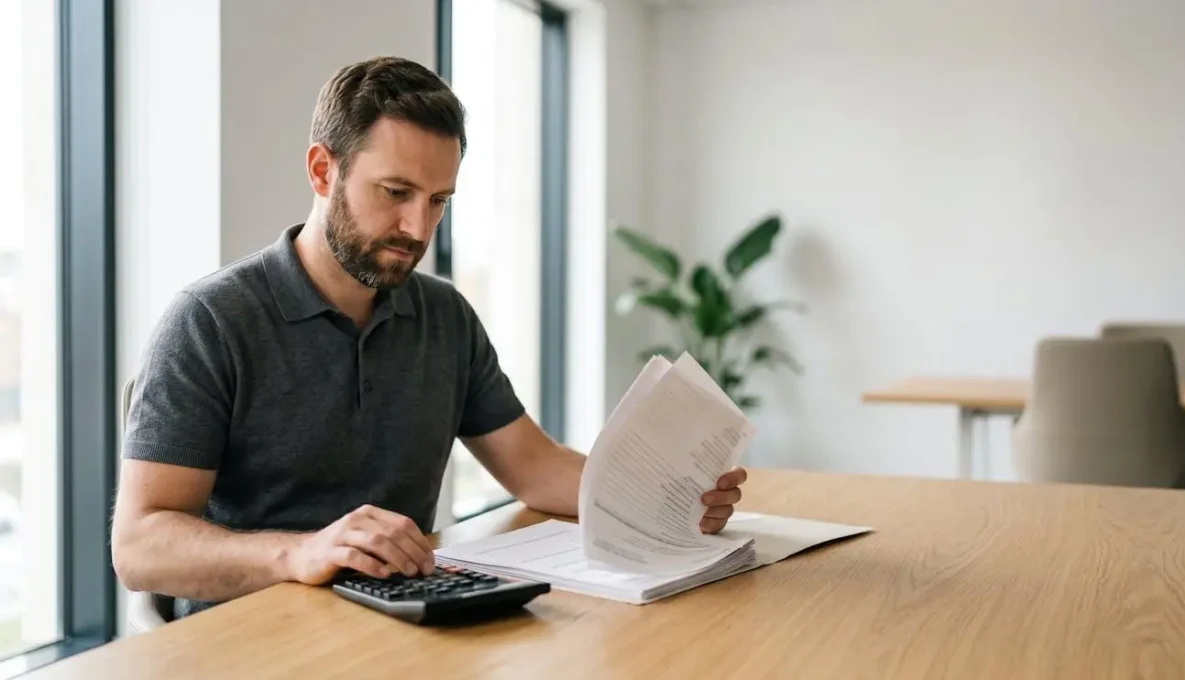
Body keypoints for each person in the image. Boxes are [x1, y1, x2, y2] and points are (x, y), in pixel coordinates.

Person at [110, 56, 749, 619]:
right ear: (322, 170)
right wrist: (301, 552)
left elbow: (534, 467)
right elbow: (139, 549)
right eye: (396, 192)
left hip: (402, 625)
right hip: (249, 640)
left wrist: (665, 501)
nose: (418, 228)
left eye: (439, 200)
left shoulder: (444, 316)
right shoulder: (210, 321)